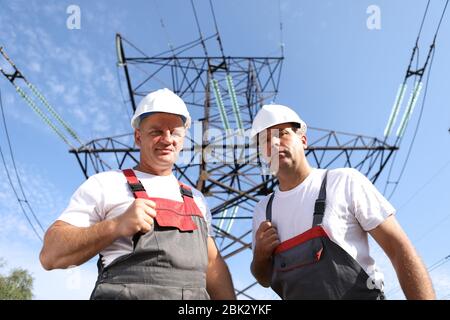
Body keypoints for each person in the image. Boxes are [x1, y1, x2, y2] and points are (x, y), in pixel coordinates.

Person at [40, 88, 236, 300]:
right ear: (137, 137)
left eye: (175, 132)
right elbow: (51, 255)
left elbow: (213, 268)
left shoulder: (196, 199)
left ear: (183, 139)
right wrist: (115, 226)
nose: (167, 139)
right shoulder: (106, 183)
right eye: (156, 132)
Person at [249, 104, 435, 300]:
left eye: (283, 134)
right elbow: (264, 279)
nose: (275, 143)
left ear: (303, 140)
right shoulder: (263, 211)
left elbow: (399, 248)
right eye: (266, 140)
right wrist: (260, 256)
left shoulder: (344, 182)